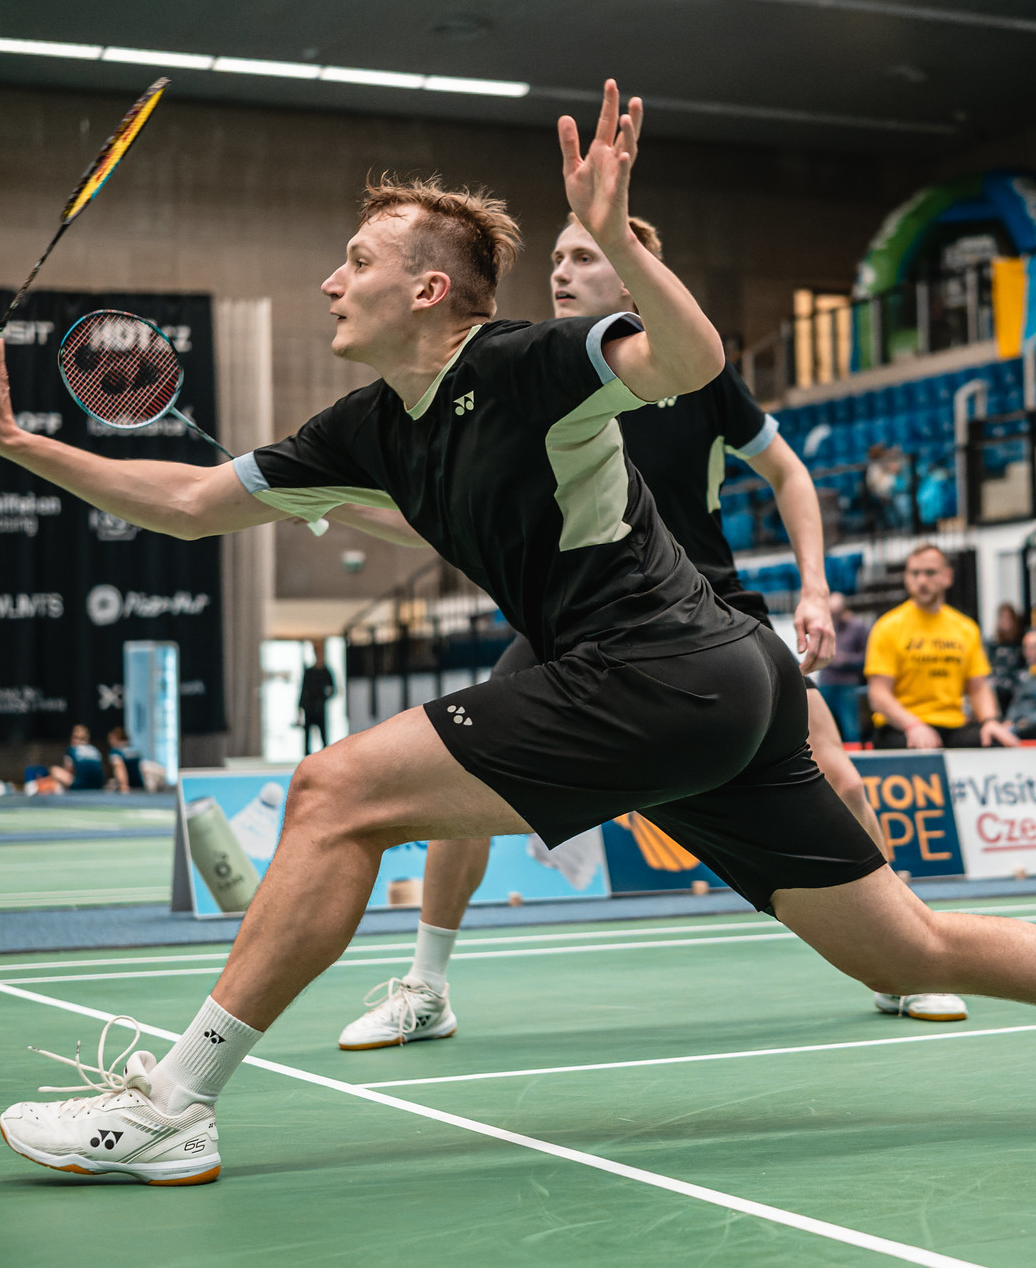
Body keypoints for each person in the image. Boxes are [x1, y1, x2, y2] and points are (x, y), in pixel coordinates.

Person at [0, 84, 1036, 1187]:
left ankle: (172, 1104)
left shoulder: (530, 362)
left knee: (334, 790)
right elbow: (192, 505)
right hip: (723, 685)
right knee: (911, 950)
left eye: (357, 261)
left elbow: (693, 362)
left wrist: (621, 231)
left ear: (434, 291)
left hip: (661, 665)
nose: (328, 281)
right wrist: (21, 441)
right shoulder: (362, 430)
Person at [331, 207, 973, 1041]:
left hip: (710, 618)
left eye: (583, 257)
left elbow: (787, 470)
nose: (560, 271)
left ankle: (907, 961)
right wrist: (325, 501)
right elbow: (438, 514)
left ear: (630, 279)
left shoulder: (687, 372)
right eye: (556, 257)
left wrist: (814, 585)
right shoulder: (527, 376)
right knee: (461, 789)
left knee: (841, 778)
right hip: (581, 621)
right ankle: (427, 987)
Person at [864, 545, 1019, 750]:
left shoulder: (966, 628)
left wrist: (991, 721)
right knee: (915, 745)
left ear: (947, 576)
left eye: (929, 573)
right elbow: (878, 694)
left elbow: (978, 687)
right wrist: (913, 724)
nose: (921, 581)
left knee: (996, 740)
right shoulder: (887, 627)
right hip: (901, 728)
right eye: (914, 573)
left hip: (952, 726)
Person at [816, 591, 870, 745]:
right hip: (826, 683)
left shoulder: (858, 627)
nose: (833, 616)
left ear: (844, 610)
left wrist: (846, 660)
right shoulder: (824, 625)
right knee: (822, 729)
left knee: (851, 730)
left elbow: (867, 657)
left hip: (847, 685)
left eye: (836, 612)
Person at [986, 602, 1027, 716]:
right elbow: (987, 666)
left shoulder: (1021, 643)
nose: (1005, 621)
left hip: (1016, 685)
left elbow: (1025, 667)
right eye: (1002, 617)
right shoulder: (992, 644)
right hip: (998, 685)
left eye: (1008, 618)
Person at [298, 641, 338, 754]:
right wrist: (300, 709)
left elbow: (333, 690)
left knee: (324, 735)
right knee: (307, 738)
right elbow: (303, 690)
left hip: (320, 708)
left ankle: (325, 757)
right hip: (309, 708)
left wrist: (325, 696)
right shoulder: (309, 672)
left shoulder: (327, 672)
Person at [106, 726, 143, 792]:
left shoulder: (116, 751)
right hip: (139, 786)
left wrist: (123, 786)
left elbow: (119, 767)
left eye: (110, 739)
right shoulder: (134, 750)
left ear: (114, 738)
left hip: (128, 789)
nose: (109, 743)